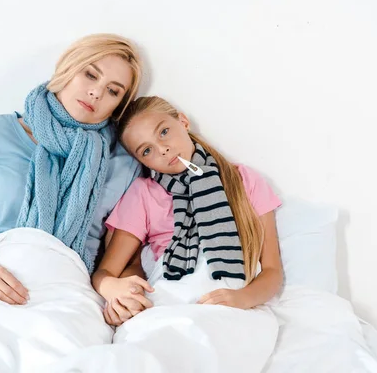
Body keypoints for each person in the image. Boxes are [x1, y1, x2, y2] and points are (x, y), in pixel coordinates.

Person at [0, 34, 144, 306]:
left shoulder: (123, 163)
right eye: (90, 75)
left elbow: (127, 262)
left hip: (64, 296)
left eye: (113, 91)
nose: (97, 92)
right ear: (67, 68)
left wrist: (121, 294)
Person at [92, 96, 284, 326]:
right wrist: (116, 292)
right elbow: (105, 273)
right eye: (146, 151)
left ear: (183, 121)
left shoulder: (242, 180)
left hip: (232, 303)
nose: (162, 150)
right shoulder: (143, 194)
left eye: (163, 132)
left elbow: (272, 271)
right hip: (168, 300)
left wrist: (241, 298)